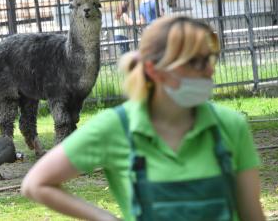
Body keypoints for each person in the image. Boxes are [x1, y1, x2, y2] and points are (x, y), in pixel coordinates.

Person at [21, 15, 265, 221]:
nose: (209, 69)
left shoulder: (230, 126)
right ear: (153, 69)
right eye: (194, 62)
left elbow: (252, 215)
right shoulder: (117, 127)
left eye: (210, 59)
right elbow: (36, 184)